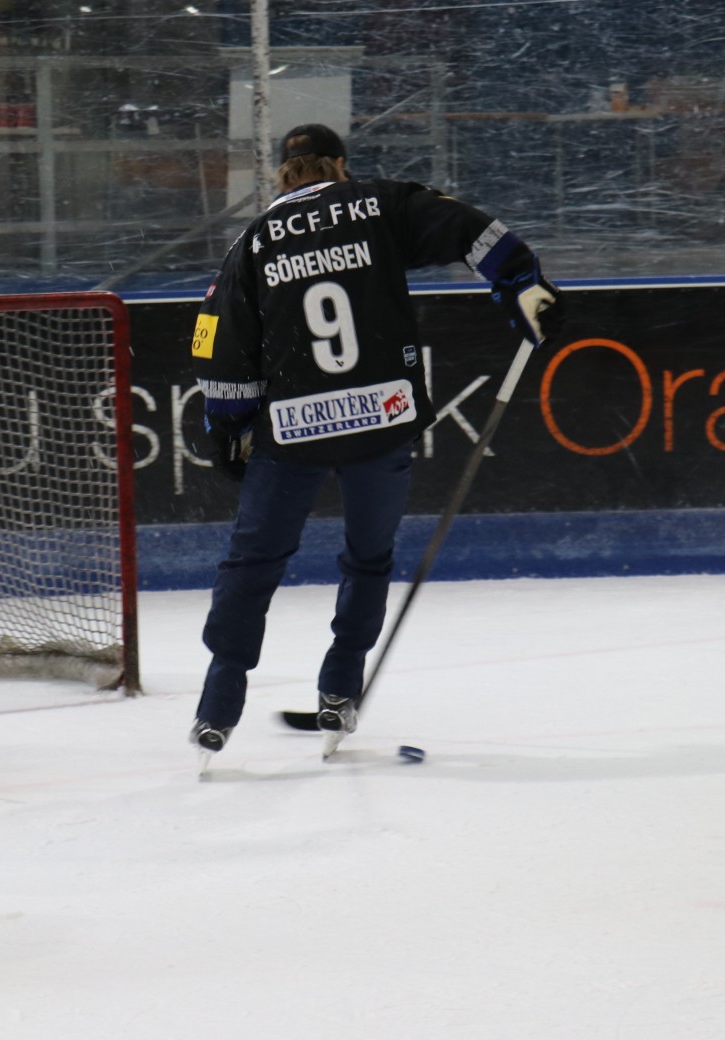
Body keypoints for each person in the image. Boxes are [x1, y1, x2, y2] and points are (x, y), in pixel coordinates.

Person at [187, 123, 565, 757]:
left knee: (253, 564)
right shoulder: (382, 204)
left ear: (282, 174)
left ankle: (218, 705)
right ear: (340, 164)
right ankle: (340, 688)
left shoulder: (253, 241)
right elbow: (469, 228)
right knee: (367, 560)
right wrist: (521, 281)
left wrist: (227, 426)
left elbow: (220, 343)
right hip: (382, 419)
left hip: (293, 429)